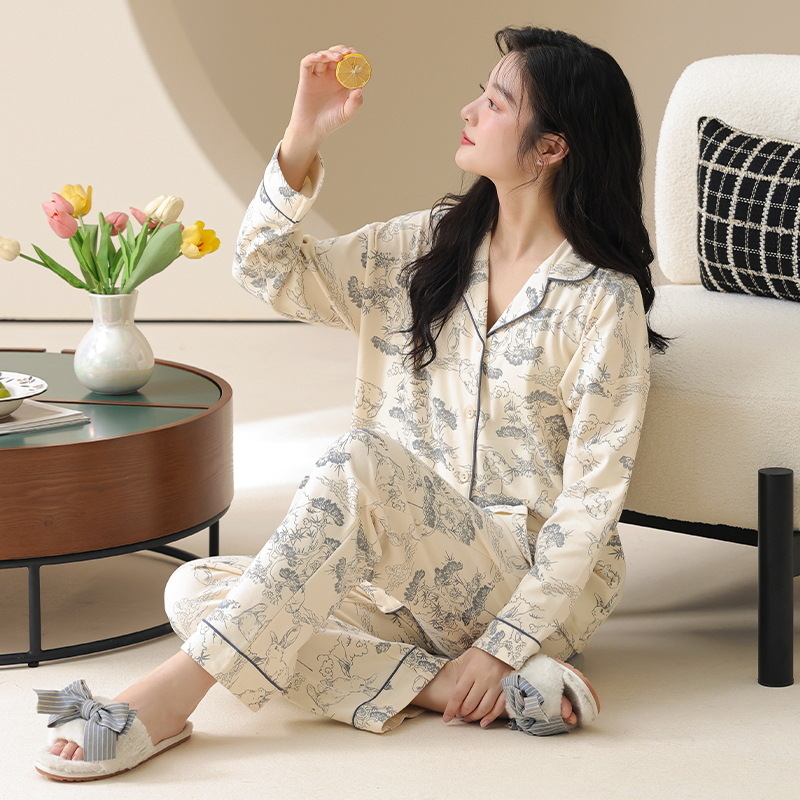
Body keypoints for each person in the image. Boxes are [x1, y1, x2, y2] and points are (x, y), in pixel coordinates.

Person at [33, 26, 669, 781]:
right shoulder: (426, 247)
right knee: (194, 588)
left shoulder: (601, 301)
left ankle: (168, 698)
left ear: (552, 148)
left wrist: (507, 642)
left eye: (496, 103)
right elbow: (266, 269)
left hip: (520, 583)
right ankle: (445, 685)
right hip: (397, 583)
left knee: (358, 462)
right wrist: (303, 134)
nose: (469, 110)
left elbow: (590, 503)